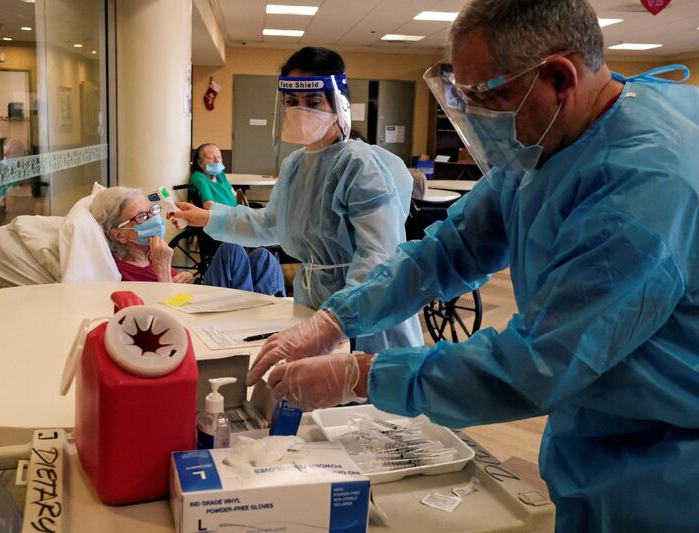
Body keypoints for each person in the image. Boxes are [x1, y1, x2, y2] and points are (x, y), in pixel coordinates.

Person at [249, 1, 699, 531]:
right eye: (465, 97)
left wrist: (364, 375)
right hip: (597, 427)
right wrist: (337, 320)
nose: (477, 117)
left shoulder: (642, 189)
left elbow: (537, 363)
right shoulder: (551, 138)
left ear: (559, 77)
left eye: (489, 97)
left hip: (667, 460)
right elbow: (450, 248)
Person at [172, 46, 423, 354]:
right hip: (313, 306)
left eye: (313, 101)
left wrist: (338, 320)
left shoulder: (359, 165)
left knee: (359, 392)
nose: (301, 110)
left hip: (366, 316)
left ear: (337, 101)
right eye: (292, 102)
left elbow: (377, 258)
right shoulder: (295, 165)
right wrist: (211, 218)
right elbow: (272, 223)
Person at [91, 187, 284, 295]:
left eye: (152, 211)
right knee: (231, 250)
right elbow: (160, 317)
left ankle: (266, 317)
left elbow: (180, 295)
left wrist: (181, 281)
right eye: (142, 217)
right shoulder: (120, 272)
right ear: (120, 235)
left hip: (192, 298)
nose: (153, 219)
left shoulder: (152, 256)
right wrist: (165, 274)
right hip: (197, 322)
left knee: (263, 257)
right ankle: (251, 321)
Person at [190, 143, 237, 208]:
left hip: (236, 214)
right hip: (223, 217)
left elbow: (234, 194)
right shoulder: (199, 178)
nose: (217, 161)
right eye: (211, 158)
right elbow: (208, 205)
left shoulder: (220, 174)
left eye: (219, 157)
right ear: (199, 162)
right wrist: (232, 213)